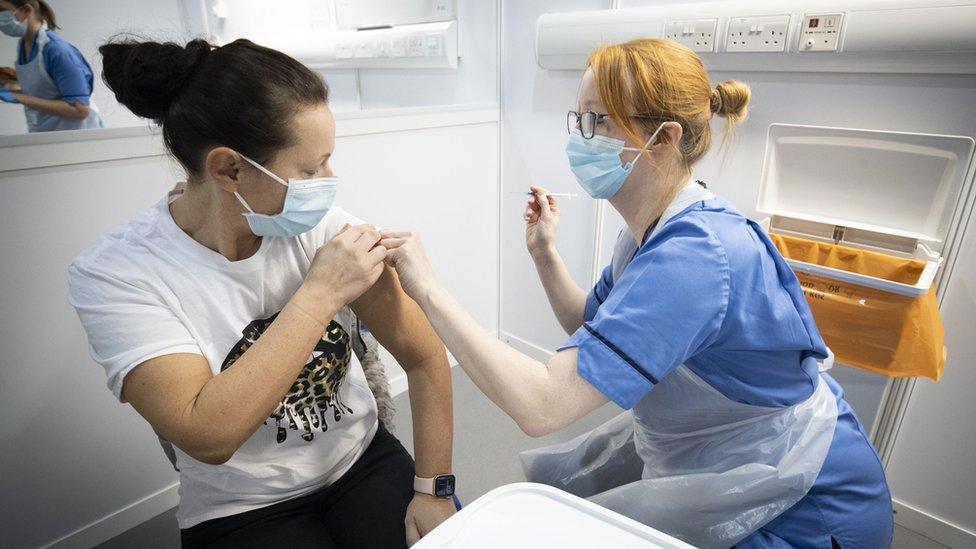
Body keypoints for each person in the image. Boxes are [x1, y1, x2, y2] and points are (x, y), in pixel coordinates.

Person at [379, 38, 893, 548]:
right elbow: (587, 323)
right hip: (723, 462)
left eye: (597, 122)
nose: (581, 138)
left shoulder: (696, 257)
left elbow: (542, 405)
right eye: (578, 119)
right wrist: (544, 254)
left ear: (664, 138)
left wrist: (427, 288)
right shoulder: (651, 230)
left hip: (802, 505)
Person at [67, 38, 455, 548]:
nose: (330, 183)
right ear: (229, 169)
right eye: (312, 170)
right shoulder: (117, 274)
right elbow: (208, 434)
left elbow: (425, 357)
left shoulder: (324, 230)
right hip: (241, 506)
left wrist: (433, 489)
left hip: (360, 460)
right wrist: (320, 293)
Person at [0, 0, 104, 131]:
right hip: (46, 133)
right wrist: (10, 89)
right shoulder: (23, 46)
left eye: (2, 10)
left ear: (27, 10)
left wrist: (19, 97)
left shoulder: (57, 50)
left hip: (78, 136)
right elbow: (45, 92)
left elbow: (80, 109)